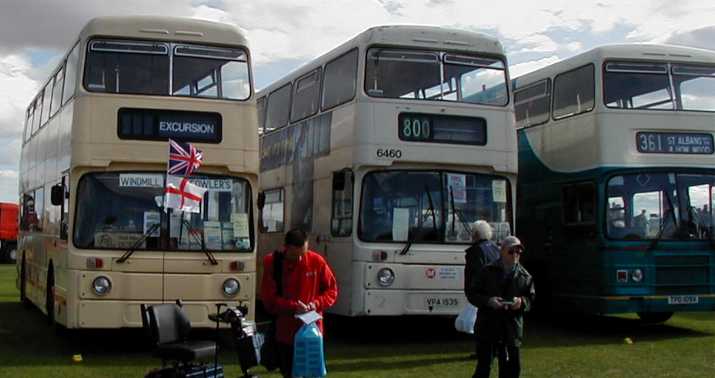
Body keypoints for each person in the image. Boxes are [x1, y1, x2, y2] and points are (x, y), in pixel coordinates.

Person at [261, 229, 339, 378]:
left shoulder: (316, 261)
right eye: (297, 254)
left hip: (313, 334)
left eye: (304, 253)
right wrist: (293, 307)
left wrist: (316, 304)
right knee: (290, 373)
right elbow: (269, 300)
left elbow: (332, 290)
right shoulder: (273, 263)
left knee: (313, 373)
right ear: (287, 248)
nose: (301, 258)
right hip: (286, 333)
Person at [471, 236, 535, 378]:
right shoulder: (487, 271)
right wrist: (489, 301)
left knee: (511, 370)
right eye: (511, 251)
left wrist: (521, 302)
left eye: (518, 252)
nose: (515, 255)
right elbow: (473, 293)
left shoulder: (525, 276)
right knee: (484, 368)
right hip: (488, 326)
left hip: (511, 329)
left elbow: (530, 299)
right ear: (502, 251)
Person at [464, 221, 501, 355]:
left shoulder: (475, 251)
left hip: (484, 293)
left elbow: (475, 273)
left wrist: (473, 292)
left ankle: (482, 351)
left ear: (476, 234)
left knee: (481, 324)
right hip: (497, 290)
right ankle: (494, 350)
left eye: (472, 233)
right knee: (494, 324)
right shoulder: (495, 248)